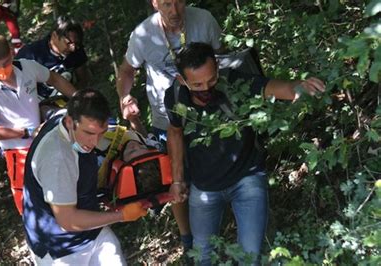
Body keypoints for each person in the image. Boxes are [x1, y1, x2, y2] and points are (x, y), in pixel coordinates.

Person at [164, 42, 326, 265]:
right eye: (197, 84)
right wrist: (178, 180)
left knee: (249, 257)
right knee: (201, 255)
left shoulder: (235, 83)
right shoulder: (174, 96)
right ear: (182, 80)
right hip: (204, 187)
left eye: (211, 80)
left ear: (218, 68)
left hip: (246, 179)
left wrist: (302, 86)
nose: (206, 88)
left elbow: (278, 88)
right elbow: (175, 134)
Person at [116, 0, 222, 254]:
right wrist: (125, 97)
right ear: (155, 4)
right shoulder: (142, 34)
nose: (174, 11)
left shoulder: (204, 20)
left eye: (178, 2)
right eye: (166, 4)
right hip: (166, 120)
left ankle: (213, 233)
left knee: (210, 173)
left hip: (207, 115)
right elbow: (127, 70)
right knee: (174, 181)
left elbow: (223, 58)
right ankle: (187, 239)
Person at [22, 89, 147, 265]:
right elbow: (68, 221)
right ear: (69, 122)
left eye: (101, 132)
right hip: (60, 245)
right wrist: (122, 215)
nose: (95, 142)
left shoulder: (70, 118)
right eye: (89, 133)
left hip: (90, 228)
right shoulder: (58, 158)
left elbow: (40, 129)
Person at [0, 33, 77, 215]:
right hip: (17, 151)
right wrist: (27, 132)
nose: (3, 69)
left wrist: (79, 99)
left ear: (13, 54)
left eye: (6, 62)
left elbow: (54, 78)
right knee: (28, 204)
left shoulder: (26, 67)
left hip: (45, 141)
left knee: (63, 187)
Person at [16, 16, 90, 99]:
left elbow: (83, 79)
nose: (73, 48)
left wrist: (75, 98)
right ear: (54, 35)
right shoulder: (29, 55)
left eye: (76, 44)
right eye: (68, 43)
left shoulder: (77, 50)